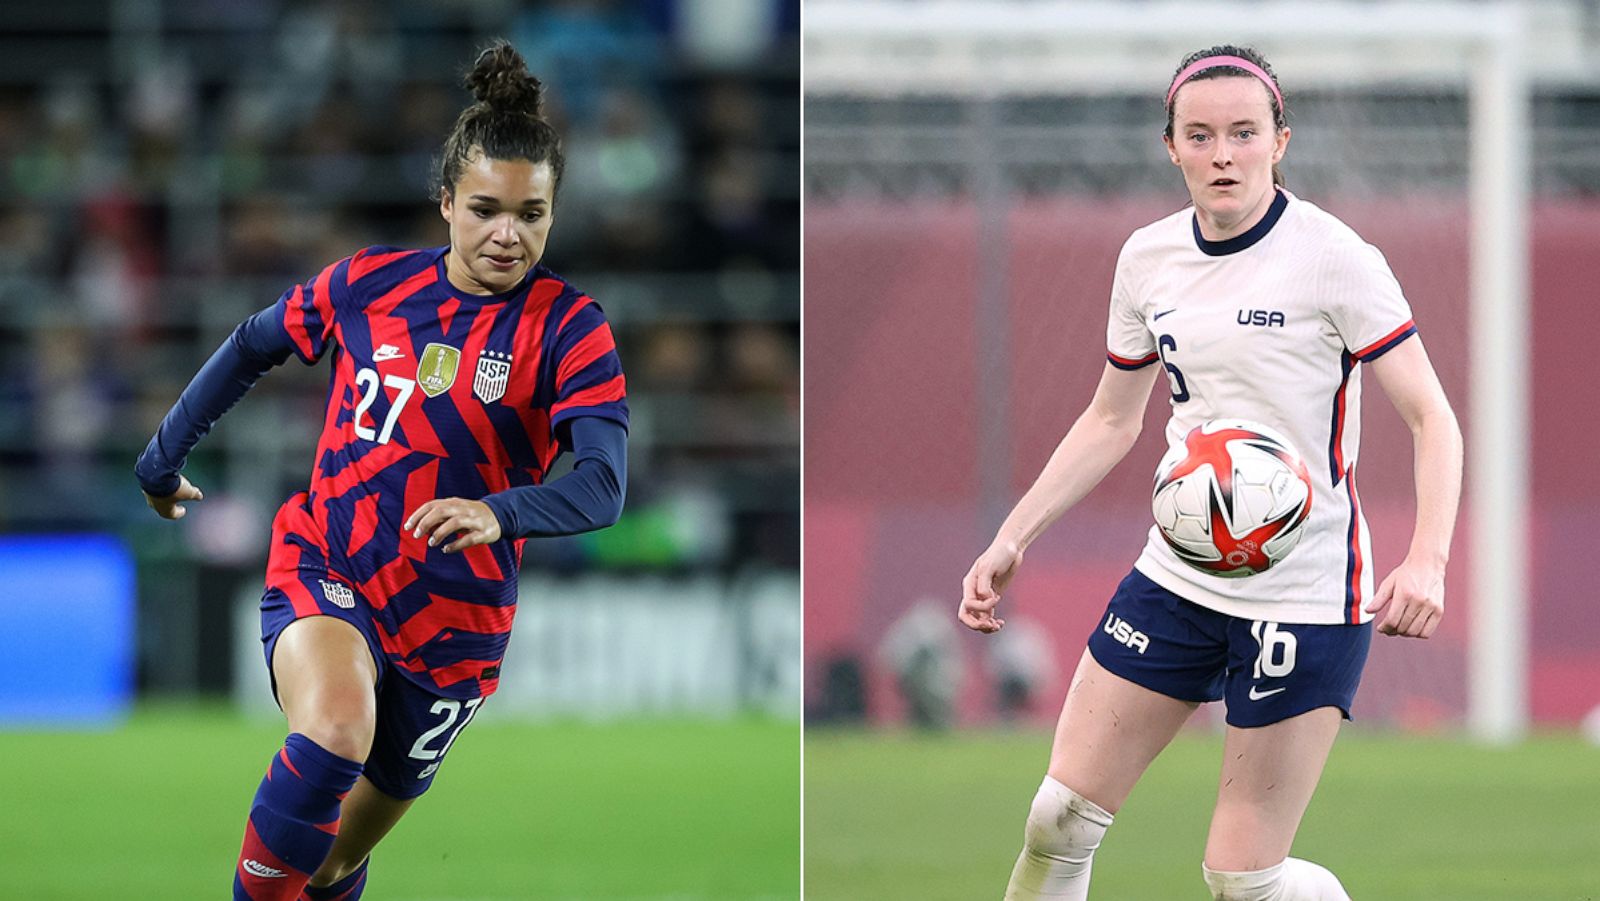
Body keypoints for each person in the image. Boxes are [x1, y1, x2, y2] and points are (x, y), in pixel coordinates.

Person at [958, 45, 1462, 901]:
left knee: (1242, 879)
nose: (1222, 153)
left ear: (1280, 142)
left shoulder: (1336, 257)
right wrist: (1013, 537)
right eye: (1200, 135)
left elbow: (1432, 416)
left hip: (1305, 595)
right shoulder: (1148, 259)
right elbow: (1111, 418)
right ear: (1172, 148)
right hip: (1178, 579)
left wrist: (1430, 558)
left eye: (1242, 133)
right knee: (1057, 819)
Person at [136, 41, 629, 901]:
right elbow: (255, 343)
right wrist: (161, 455)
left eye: (531, 214)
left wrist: (500, 512)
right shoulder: (371, 284)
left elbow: (603, 483)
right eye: (484, 209)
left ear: (553, 211)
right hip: (334, 563)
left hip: (456, 631)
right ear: (445, 203)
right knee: (333, 730)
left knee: (329, 864)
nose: (508, 234)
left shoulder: (570, 328)